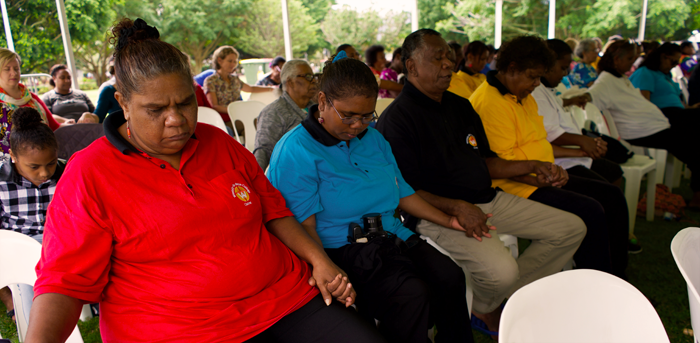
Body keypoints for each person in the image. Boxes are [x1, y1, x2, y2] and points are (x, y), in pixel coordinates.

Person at [26, 18, 385, 343]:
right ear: (123, 102)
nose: (176, 120)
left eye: (184, 104)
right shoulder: (89, 173)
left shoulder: (219, 144)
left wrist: (318, 261)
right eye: (156, 110)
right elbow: (63, 281)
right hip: (179, 328)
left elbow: (273, 211)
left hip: (283, 301)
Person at [376, 29, 586, 338]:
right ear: (411, 67)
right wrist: (457, 207)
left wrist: (534, 167)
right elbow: (405, 191)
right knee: (502, 271)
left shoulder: (460, 106)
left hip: (488, 199)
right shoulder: (397, 120)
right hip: (438, 215)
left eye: (449, 57)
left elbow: (487, 161)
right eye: (437, 58)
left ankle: (488, 302)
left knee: (571, 229)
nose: (448, 65)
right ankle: (490, 303)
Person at [269, 54, 474, 343]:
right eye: (349, 116)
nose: (357, 126)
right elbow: (304, 226)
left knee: (450, 276)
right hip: (340, 248)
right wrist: (330, 271)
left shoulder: (374, 139)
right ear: (323, 101)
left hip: (391, 237)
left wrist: (449, 221)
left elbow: (402, 192)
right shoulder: (296, 150)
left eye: (367, 116)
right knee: (411, 293)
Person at [471, 35, 628, 279]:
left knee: (611, 195)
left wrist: (553, 170)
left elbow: (540, 141)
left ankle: (613, 276)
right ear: (512, 68)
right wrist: (541, 176)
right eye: (532, 77)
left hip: (541, 175)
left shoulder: (523, 95)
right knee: (591, 210)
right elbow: (500, 165)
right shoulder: (490, 102)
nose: (536, 84)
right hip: (515, 186)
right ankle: (595, 283)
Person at [588, 40, 700, 209]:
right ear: (617, 59)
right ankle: (697, 197)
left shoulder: (620, 78)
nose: (632, 63)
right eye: (629, 58)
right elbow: (591, 97)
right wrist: (577, 98)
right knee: (692, 145)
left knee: (693, 140)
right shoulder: (607, 80)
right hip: (641, 132)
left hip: (654, 127)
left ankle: (697, 194)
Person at [0, 107, 65, 325]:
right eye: (34, 167)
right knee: (29, 282)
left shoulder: (68, 173)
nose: (45, 173)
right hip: (17, 246)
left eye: (51, 163)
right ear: (13, 157)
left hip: (59, 242)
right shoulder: (1, 182)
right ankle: (33, 326)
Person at [532, 39, 624, 185]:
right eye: (563, 68)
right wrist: (583, 142)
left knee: (614, 169)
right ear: (547, 66)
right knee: (609, 189)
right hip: (561, 162)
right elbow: (551, 134)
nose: (565, 74)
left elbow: (555, 105)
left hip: (572, 153)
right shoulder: (536, 91)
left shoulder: (545, 89)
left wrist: (572, 100)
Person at [254, 60, 318, 171]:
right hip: (295, 176)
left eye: (314, 77)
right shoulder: (274, 112)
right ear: (290, 82)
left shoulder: (318, 109)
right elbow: (263, 152)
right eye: (307, 76)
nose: (314, 81)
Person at [0, 48, 62, 156]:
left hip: (46, 154)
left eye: (16, 68)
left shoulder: (31, 97)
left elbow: (53, 126)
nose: (13, 73)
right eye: (7, 69)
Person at [204, 45, 274, 134]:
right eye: (230, 61)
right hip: (224, 121)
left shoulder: (234, 79)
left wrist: (270, 89)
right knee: (257, 124)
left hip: (241, 117)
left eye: (235, 61)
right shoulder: (211, 81)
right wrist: (235, 109)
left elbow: (251, 88)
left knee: (261, 124)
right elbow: (214, 106)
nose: (233, 64)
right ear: (219, 61)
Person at [630, 42, 700, 112]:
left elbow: (677, 102)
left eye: (677, 63)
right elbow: (643, 103)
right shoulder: (645, 73)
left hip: (677, 113)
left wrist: (691, 107)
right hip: (663, 114)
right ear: (663, 57)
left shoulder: (665, 76)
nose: (675, 65)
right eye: (673, 62)